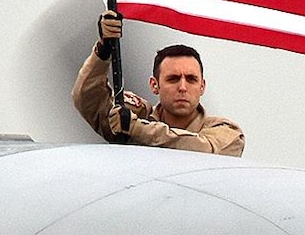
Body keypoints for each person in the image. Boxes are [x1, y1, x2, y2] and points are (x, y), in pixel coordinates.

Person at [72, 10, 244, 156]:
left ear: (202, 87)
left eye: (191, 79)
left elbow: (204, 150)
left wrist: (137, 129)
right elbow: (89, 100)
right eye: (173, 79)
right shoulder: (134, 116)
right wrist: (104, 50)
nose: (183, 87)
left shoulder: (227, 132)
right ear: (154, 85)